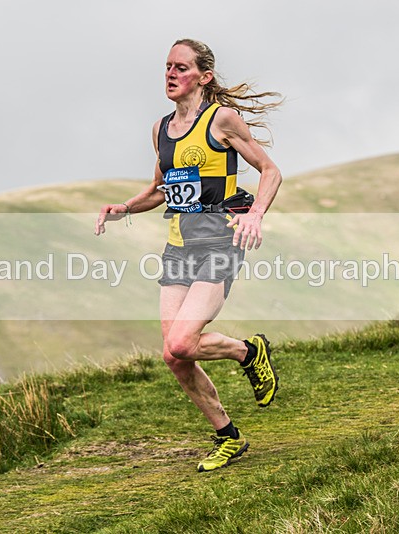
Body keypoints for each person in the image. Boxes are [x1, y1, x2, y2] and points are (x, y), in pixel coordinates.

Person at [95, 38, 283, 472]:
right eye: (167, 67)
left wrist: (255, 215)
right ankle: (228, 436)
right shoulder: (160, 129)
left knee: (183, 340)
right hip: (178, 245)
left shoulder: (222, 120)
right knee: (173, 354)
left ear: (204, 75)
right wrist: (125, 207)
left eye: (181, 67)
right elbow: (162, 190)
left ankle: (248, 352)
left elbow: (270, 171)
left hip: (220, 241)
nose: (171, 74)